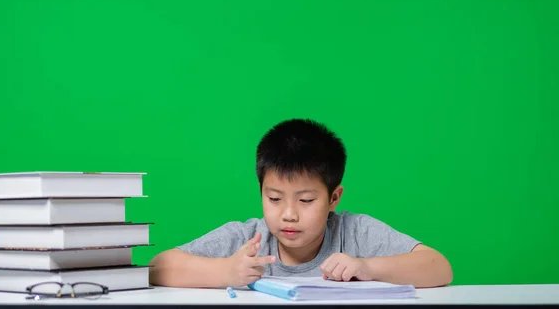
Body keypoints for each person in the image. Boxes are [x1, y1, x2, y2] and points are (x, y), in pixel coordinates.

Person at [149, 118, 453, 288]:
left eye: (306, 200)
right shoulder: (249, 240)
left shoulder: (355, 232)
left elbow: (440, 268)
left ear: (334, 198)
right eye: (274, 198)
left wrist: (367, 266)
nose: (289, 215)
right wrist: (225, 272)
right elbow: (157, 267)